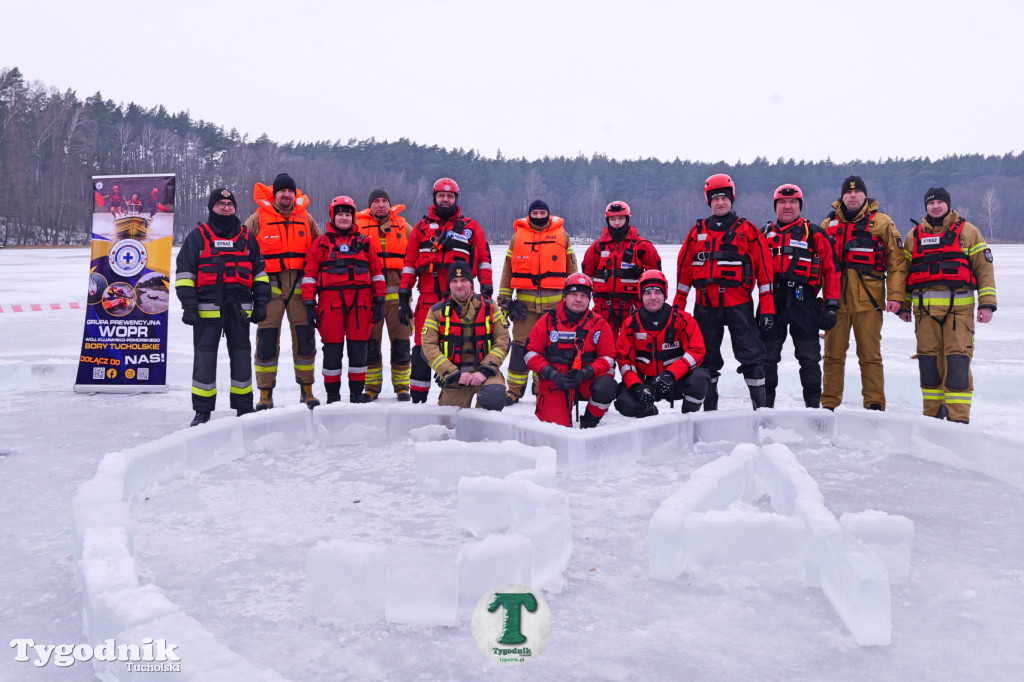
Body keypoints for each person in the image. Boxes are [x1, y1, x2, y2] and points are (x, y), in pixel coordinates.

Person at [675, 173, 775, 410]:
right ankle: (710, 411)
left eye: (724, 198)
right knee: (706, 359)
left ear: (732, 199)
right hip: (705, 306)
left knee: (752, 357)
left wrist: (767, 309)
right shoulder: (697, 232)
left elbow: (765, 272)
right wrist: (677, 308)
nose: (720, 202)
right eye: (715, 198)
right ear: (708, 201)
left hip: (738, 304)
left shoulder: (748, 231)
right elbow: (684, 271)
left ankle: (759, 411)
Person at [898, 187, 997, 424]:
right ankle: (932, 415)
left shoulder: (969, 232)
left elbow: (984, 269)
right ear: (926, 207)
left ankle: (958, 419)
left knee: (957, 362)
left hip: (959, 311)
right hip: (924, 313)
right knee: (928, 363)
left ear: (948, 205)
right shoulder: (914, 236)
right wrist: (903, 304)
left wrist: (987, 304)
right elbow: (904, 274)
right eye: (931, 203)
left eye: (940, 203)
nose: (935, 207)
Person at [175, 188, 270, 426]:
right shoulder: (197, 236)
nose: (226, 207)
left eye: (230, 203)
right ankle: (202, 410)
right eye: (221, 203)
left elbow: (260, 274)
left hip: (239, 310)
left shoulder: (247, 237)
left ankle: (244, 406)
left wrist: (261, 304)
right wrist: (189, 306)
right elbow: (185, 274)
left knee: (241, 358)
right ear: (211, 208)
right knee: (204, 361)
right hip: (207, 310)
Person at [399, 177, 494, 403]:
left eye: (450, 196)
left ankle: (453, 395)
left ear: (456, 199)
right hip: (429, 299)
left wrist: (487, 290)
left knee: (459, 347)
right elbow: (410, 264)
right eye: (441, 195)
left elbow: (483, 260)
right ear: (434, 198)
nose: (445, 199)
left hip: (461, 300)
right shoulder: (421, 229)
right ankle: (418, 399)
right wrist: (404, 297)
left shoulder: (471, 227)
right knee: (422, 350)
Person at [821, 175, 908, 411]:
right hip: (835, 303)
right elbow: (817, 264)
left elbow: (897, 263)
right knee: (832, 357)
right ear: (842, 196)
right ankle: (829, 404)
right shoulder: (828, 225)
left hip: (869, 303)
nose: (852, 196)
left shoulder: (882, 223)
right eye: (848, 193)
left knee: (870, 357)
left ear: (864, 195)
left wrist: (896, 296)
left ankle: (875, 405)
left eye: (857, 192)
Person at [244, 172, 322, 410]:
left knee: (305, 341)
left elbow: (321, 248)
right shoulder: (257, 219)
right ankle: (265, 394)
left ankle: (307, 390)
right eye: (282, 191)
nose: (287, 195)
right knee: (266, 343)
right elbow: (242, 250)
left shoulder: (306, 219)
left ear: (294, 194)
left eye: (290, 191)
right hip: (269, 292)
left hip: (300, 291)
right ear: (275, 194)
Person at [760, 184, 841, 408]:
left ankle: (813, 408)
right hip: (771, 301)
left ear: (800, 205)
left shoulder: (815, 233)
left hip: (803, 300)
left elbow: (832, 270)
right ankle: (765, 410)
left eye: (793, 202)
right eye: (782, 203)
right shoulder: (764, 234)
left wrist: (832, 305)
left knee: (809, 359)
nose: (787, 207)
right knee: (767, 359)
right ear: (775, 206)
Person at [302, 196, 386, 404]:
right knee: (332, 350)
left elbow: (377, 273)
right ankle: (333, 395)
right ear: (333, 216)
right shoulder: (321, 243)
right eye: (339, 214)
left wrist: (380, 301)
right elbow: (310, 274)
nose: (344, 218)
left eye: (347, 214)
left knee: (358, 350)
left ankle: (357, 393)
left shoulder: (365, 242)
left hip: (362, 303)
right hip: (330, 303)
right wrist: (309, 303)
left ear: (353, 217)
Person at [498, 199, 578, 405]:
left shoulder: (563, 236)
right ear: (529, 215)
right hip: (524, 308)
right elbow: (508, 270)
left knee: (550, 349)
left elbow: (572, 270)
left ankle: (541, 387)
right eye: (535, 213)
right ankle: (514, 391)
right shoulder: (517, 238)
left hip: (555, 308)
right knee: (519, 348)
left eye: (543, 213)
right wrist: (506, 301)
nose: (539, 216)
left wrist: (574, 298)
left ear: (548, 214)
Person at [525, 273, 618, 428]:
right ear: (565, 297)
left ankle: (589, 420)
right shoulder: (547, 321)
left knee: (606, 385)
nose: (579, 299)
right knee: (557, 431)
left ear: (589, 299)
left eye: (583, 295)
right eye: (574, 294)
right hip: (556, 381)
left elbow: (608, 357)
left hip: (585, 380)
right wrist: (552, 374)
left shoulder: (600, 324)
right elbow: (530, 353)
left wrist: (585, 373)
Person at [615, 270, 711, 417]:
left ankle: (688, 419)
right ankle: (649, 412)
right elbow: (624, 361)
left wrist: (671, 374)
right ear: (641, 295)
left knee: (700, 378)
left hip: (675, 380)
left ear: (665, 294)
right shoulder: (630, 324)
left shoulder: (683, 319)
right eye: (647, 293)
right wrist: (636, 386)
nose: (653, 297)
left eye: (657, 292)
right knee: (625, 402)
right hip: (646, 383)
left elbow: (696, 350)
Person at [420, 262, 509, 410]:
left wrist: (485, 370)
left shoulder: (489, 307)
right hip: (455, 374)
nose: (459, 285)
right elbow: (428, 346)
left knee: (494, 395)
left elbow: (503, 341)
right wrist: (452, 374)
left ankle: (485, 430)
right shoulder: (436, 311)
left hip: (485, 372)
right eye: (454, 281)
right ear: (449, 285)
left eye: (463, 280)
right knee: (449, 423)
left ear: (471, 283)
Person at [355, 187, 413, 401]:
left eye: (384, 201)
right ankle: (371, 387)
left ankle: (402, 387)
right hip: (369, 301)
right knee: (370, 345)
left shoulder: (404, 227)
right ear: (369, 205)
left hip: (399, 299)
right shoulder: (357, 226)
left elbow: (417, 252)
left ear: (390, 204)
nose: (380, 204)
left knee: (401, 344)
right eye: (376, 201)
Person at [582, 200, 661, 343]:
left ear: (627, 219)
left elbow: (657, 278)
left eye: (620, 218)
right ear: (607, 220)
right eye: (612, 219)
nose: (617, 223)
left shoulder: (643, 246)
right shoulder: (597, 247)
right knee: (602, 346)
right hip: (603, 307)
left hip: (632, 306)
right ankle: (608, 366)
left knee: (634, 346)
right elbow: (585, 278)